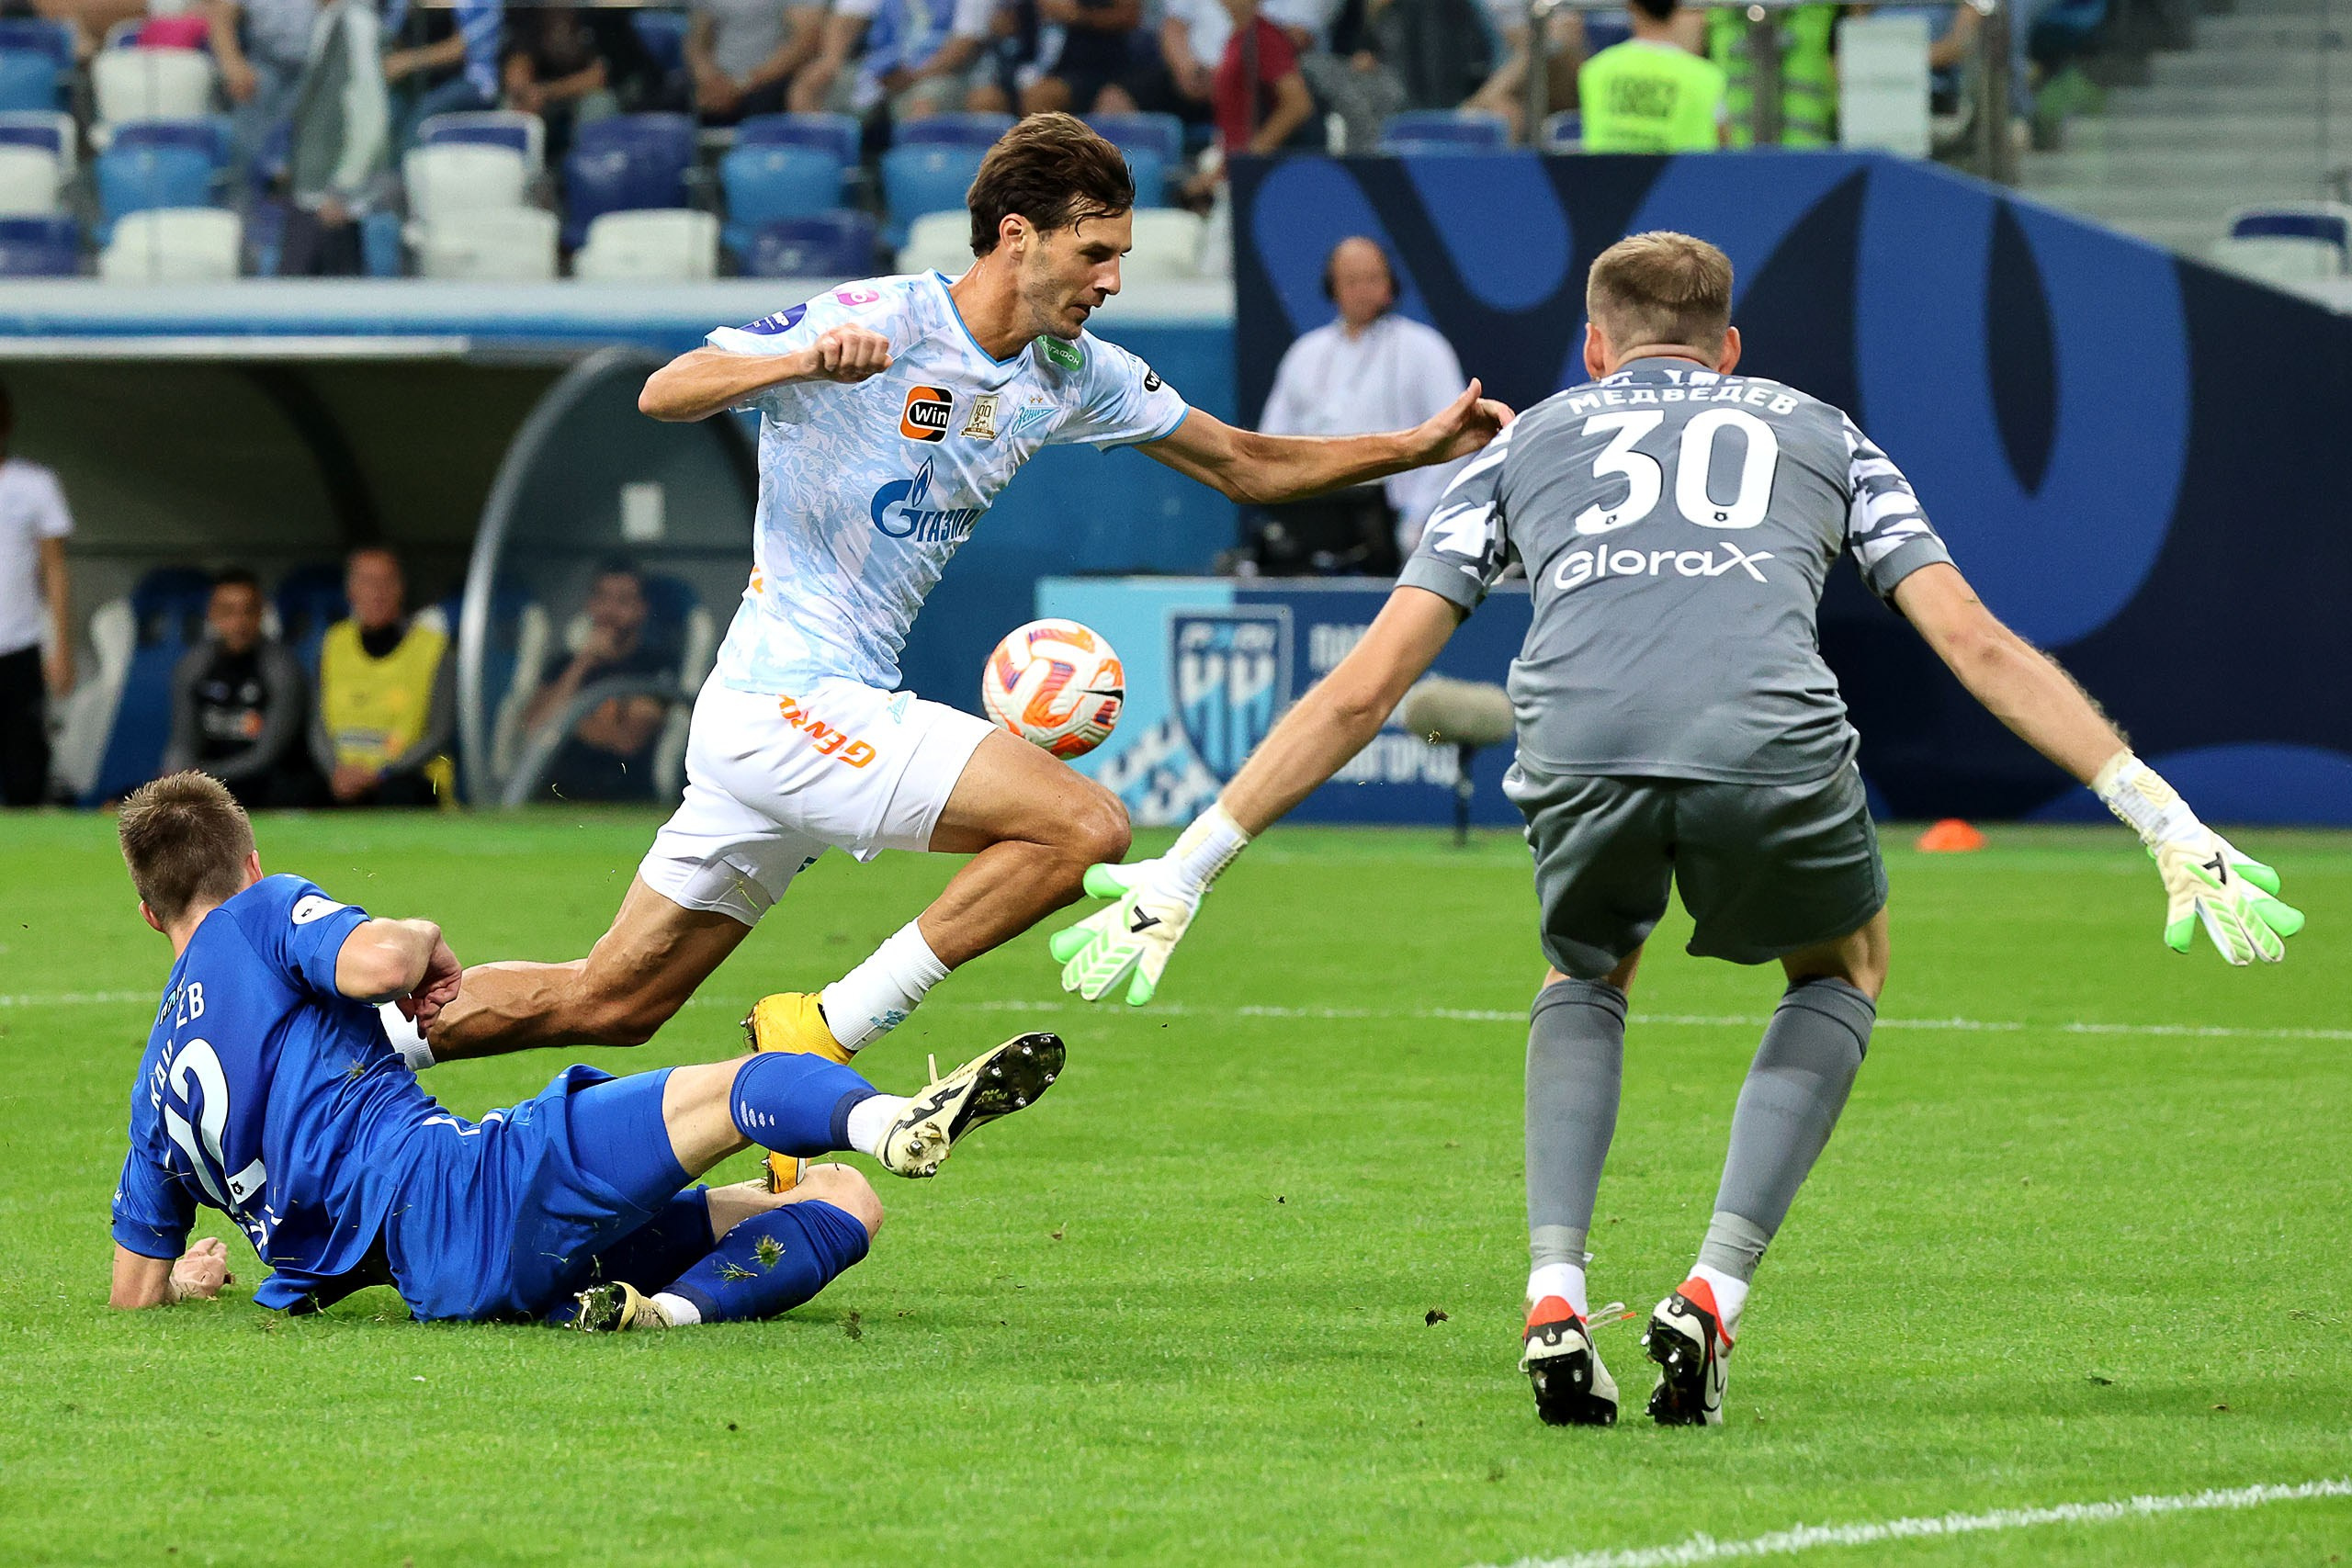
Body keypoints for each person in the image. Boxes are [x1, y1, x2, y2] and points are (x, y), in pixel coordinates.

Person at [1048, 231, 2304, 1428]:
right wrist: (2158, 810)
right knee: (1844, 965)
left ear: (1595, 347)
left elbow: (1363, 688)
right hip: (1768, 741)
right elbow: (1973, 639)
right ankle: (1714, 1289)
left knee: (1587, 963)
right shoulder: (1823, 430)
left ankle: (1552, 1288)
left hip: (1577, 743)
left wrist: (1191, 861)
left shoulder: (1525, 439)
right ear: (1730, 347)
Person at [416, 114, 1507, 1201]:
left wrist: (1412, 446)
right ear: (1018, 236)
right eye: (1097, 252)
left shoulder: (1073, 369)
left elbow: (1248, 465)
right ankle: (828, 1026)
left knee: (611, 999)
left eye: (1121, 254)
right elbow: (667, 390)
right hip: (789, 700)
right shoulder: (874, 318)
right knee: (1085, 827)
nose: (1114, 278)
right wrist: (803, 360)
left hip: (804, 718)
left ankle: (353, 1045)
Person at [106, 771, 1061, 1330]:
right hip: (469, 1190)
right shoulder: (260, 914)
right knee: (748, 1087)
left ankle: (660, 1313)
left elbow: (131, 1292)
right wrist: (424, 932)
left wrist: (189, 1279)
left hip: (447, 1282)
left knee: (836, 1198)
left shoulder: (156, 1088)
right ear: (253, 864)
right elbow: (383, 959)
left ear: (151, 915)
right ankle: (896, 1119)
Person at [1257, 236, 1468, 569]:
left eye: (1373, 279)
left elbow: (1457, 436)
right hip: (1319, 511)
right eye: (1352, 281)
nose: (1363, 290)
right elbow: (1271, 440)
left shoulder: (1425, 348)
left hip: (1402, 519)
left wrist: (1417, 518)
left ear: (1391, 284)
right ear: (1333, 287)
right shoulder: (1305, 353)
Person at [310, 547, 453, 808]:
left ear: (401, 589)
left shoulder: (433, 649)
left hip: (405, 778)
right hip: (342, 779)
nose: (377, 592)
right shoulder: (333, 643)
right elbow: (318, 724)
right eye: (367, 582)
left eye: (386, 581)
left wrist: (381, 773)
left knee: (399, 797)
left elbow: (439, 732)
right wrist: (336, 772)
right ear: (350, 591)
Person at [521, 560, 675, 802]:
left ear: (641, 609)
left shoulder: (653, 669)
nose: (610, 610)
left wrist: (564, 724)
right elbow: (533, 729)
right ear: (590, 604)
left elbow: (627, 741)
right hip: (554, 794)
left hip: (621, 797)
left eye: (623, 601)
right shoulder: (564, 665)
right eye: (602, 598)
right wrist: (582, 663)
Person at [162, 569, 314, 808]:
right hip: (209, 781)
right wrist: (176, 771)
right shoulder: (193, 667)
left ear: (261, 613)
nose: (239, 622)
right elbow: (182, 740)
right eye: (228, 611)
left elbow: (267, 755)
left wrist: (203, 777)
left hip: (265, 783)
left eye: (248, 611)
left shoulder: (282, 669)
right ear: (212, 613)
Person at [278, 0, 392, 276]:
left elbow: (370, 115)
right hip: (311, 193)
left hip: (333, 202)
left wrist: (344, 187)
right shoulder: (329, 20)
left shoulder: (356, 24)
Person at [0, 378, 71, 807]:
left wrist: (60, 645)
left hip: (18, 644)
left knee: (24, 765)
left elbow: (55, 569)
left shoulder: (34, 485)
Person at [788, 0, 992, 120]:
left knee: (923, 104)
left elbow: (965, 42)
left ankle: (912, 186)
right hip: (878, 67)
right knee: (808, 87)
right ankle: (830, 180)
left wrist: (914, 75)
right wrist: (831, 60)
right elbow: (846, 19)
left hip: (937, 72)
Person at [1577, 0, 1727, 153]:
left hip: (1608, 176)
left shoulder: (1595, 70)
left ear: (1631, 5)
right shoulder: (1707, 77)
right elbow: (1724, 148)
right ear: (1677, 6)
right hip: (1685, 176)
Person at [687, 0, 825, 125]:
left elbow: (806, 40)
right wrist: (709, 78)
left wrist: (742, 84)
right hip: (717, 80)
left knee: (768, 102)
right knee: (677, 95)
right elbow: (697, 41)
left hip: (769, 79)